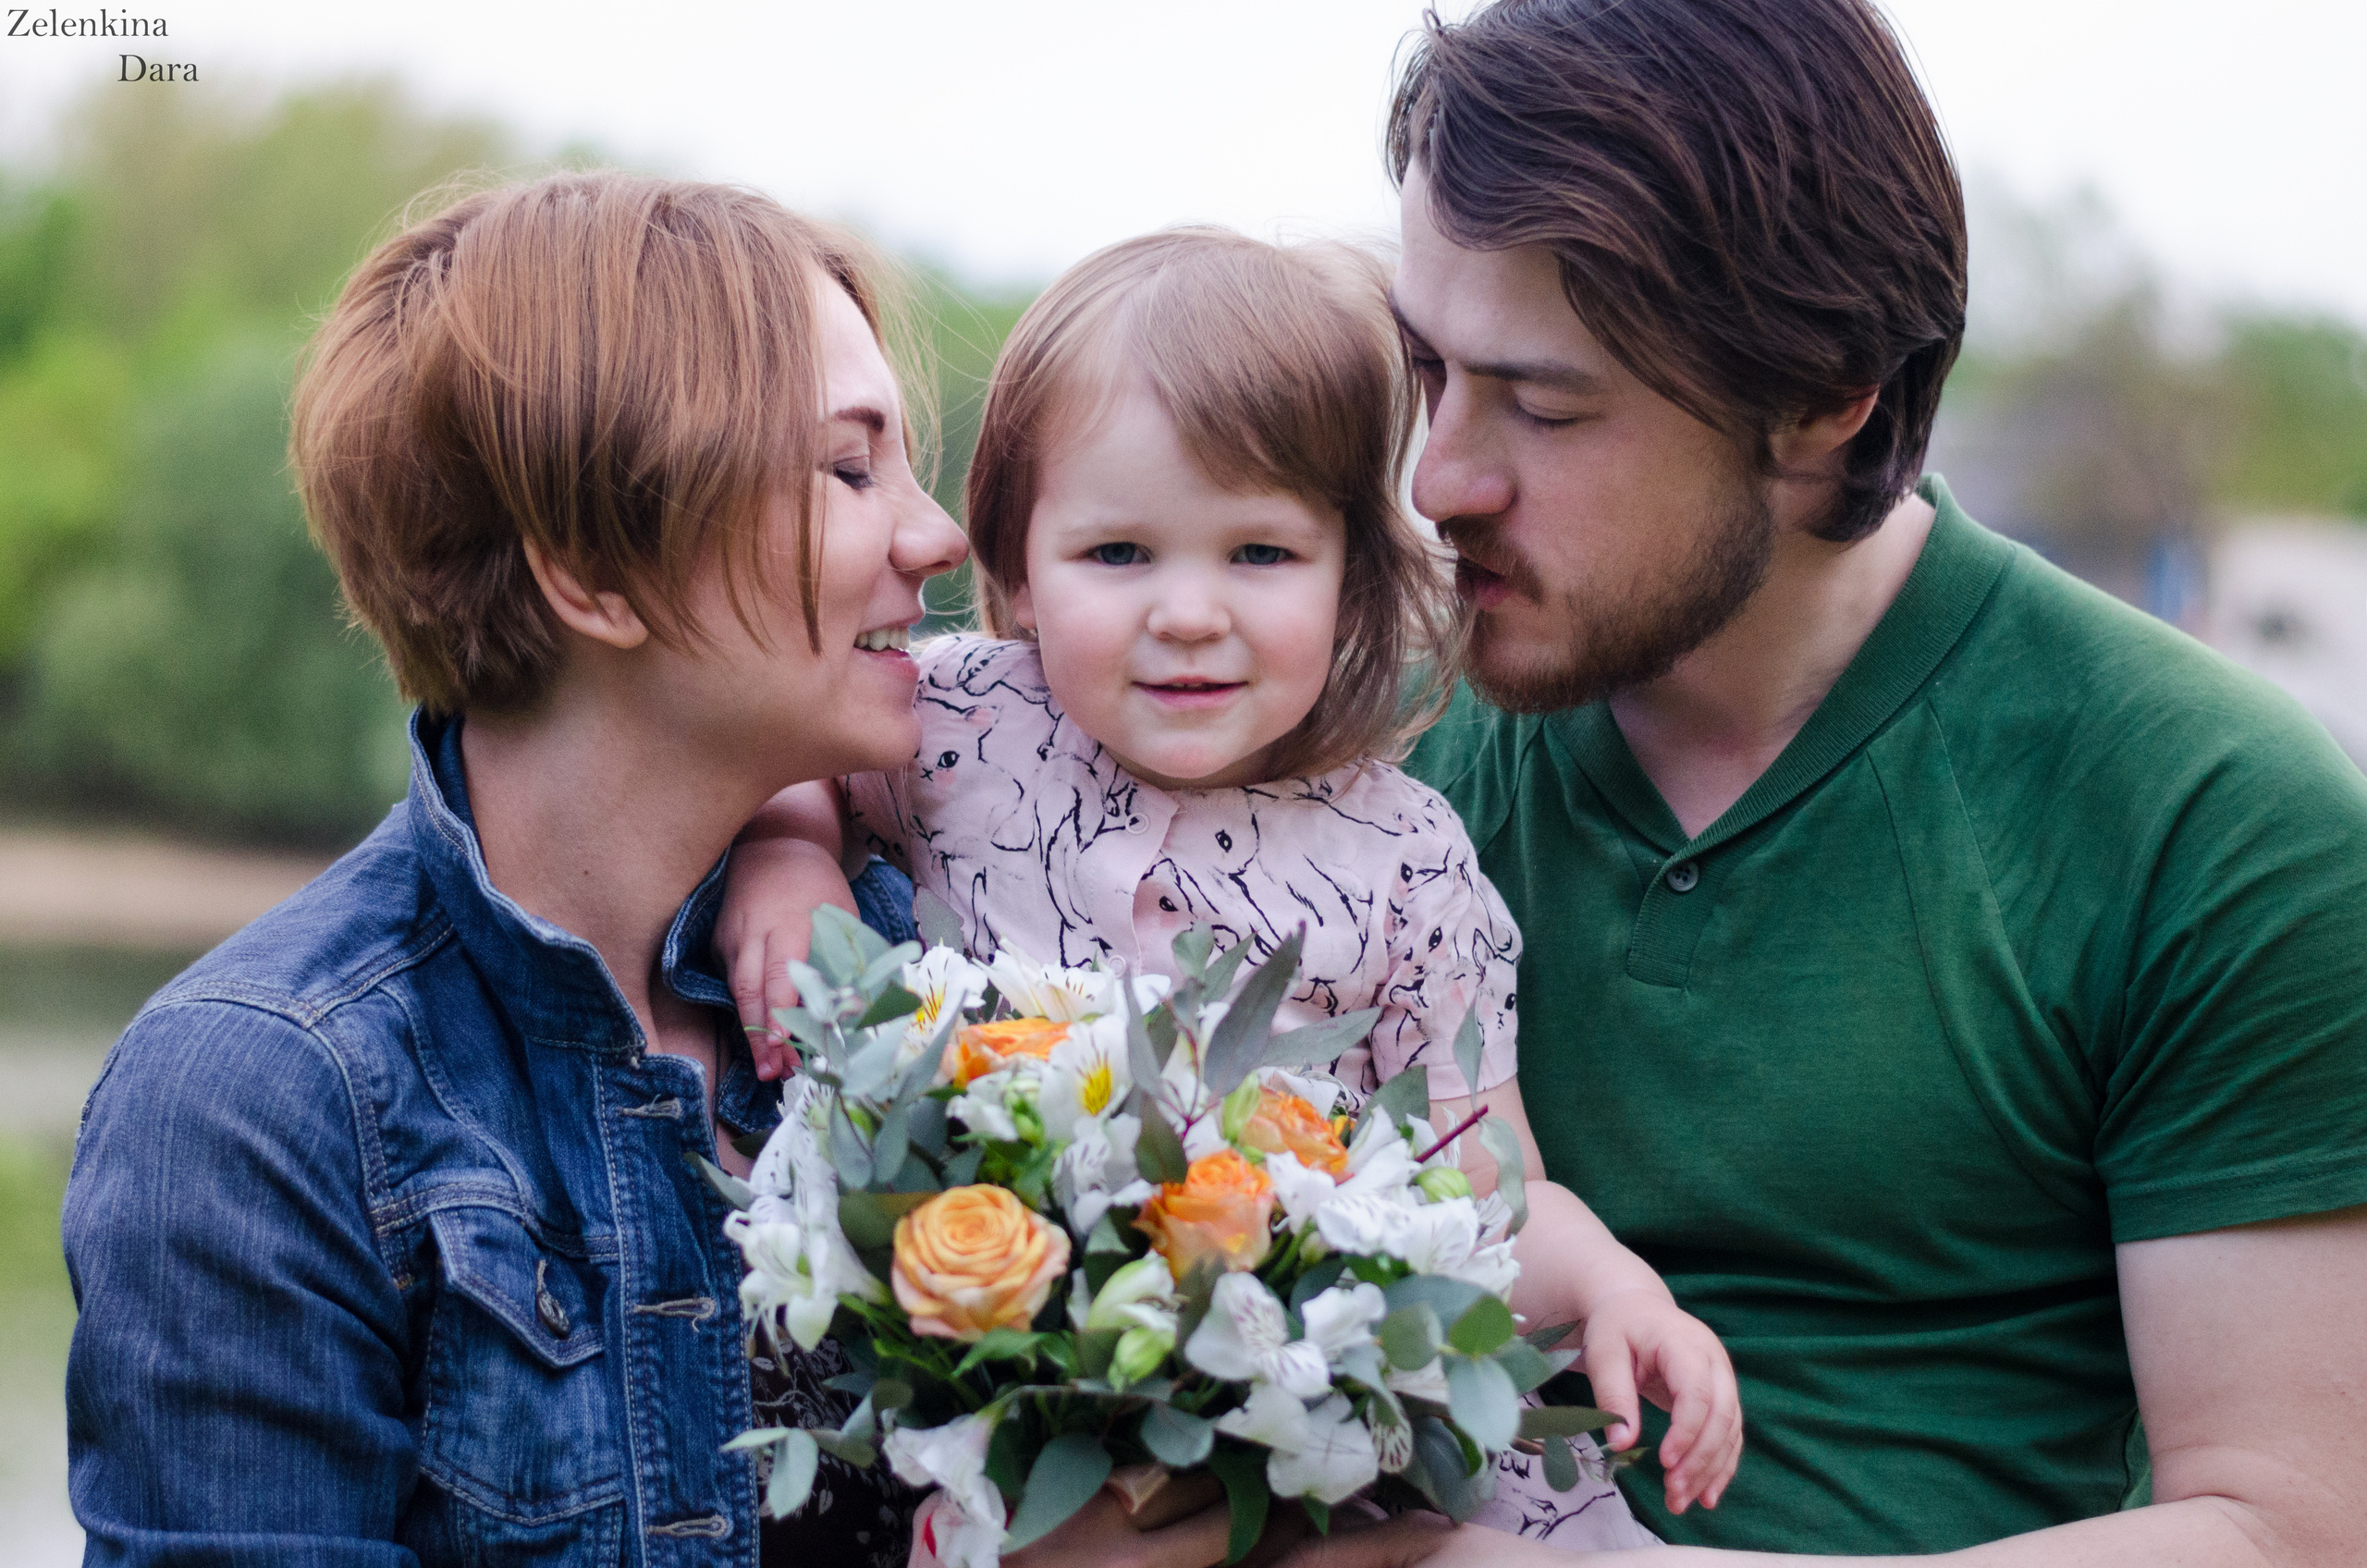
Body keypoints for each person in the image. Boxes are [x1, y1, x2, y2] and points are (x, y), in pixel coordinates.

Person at [1273, 0, 2367, 1564]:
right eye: (1429, 369)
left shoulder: (2213, 814)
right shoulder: (1339, 750)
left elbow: (2288, 1533)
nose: (1443, 476)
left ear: (1826, 394)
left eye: (1548, 403)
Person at [58, 171, 1241, 1568]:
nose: (939, 539)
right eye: (849, 468)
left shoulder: (953, 961)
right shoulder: (266, 1100)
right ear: (591, 570)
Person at [717, 227, 1739, 1543]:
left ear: (1355, 578)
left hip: (1306, 1445)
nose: (1190, 612)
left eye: (1259, 555)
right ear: (1019, 567)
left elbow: (1484, 1192)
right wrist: (790, 852)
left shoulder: (1407, 863)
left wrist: (1610, 1290)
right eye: (1121, 554)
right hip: (1017, 1409)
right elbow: (780, 748)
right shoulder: (957, 730)